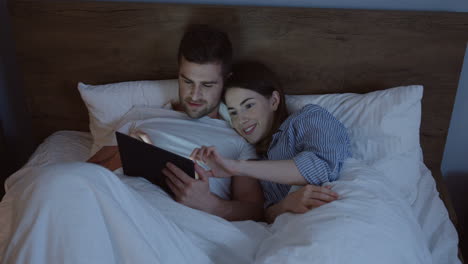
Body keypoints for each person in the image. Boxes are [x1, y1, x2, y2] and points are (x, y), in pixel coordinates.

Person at [87, 25, 264, 221]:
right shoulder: (141, 116)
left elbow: (255, 210)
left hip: (182, 221)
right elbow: (83, 173)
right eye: (187, 81)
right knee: (58, 180)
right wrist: (123, 156)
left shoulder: (238, 138)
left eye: (206, 85)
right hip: (123, 206)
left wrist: (212, 205)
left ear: (225, 81)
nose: (194, 95)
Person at [191, 61, 351, 223]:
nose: (241, 119)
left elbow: (322, 168)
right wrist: (285, 205)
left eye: (248, 105)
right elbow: (267, 215)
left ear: (274, 101)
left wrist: (237, 167)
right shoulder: (260, 159)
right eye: (233, 113)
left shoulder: (307, 118)